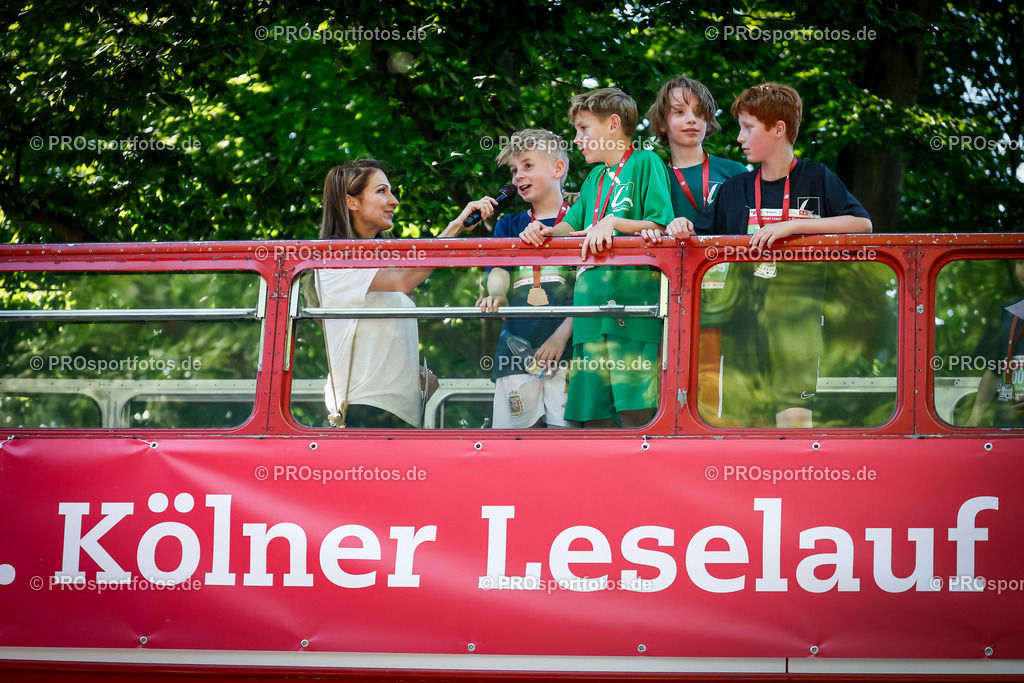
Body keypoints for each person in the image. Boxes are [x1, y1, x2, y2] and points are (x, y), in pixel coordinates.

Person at [693, 82, 872, 428]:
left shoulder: (817, 177)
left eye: (748, 128)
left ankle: (794, 480)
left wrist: (793, 226)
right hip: (742, 324)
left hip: (798, 326)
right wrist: (681, 225)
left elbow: (862, 224)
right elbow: (700, 238)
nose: (739, 138)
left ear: (779, 129)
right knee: (744, 427)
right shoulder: (735, 188)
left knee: (794, 421)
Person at [520, 88, 674, 427]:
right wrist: (542, 231)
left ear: (613, 125)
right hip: (588, 316)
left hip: (633, 313)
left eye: (583, 128)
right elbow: (568, 227)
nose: (577, 139)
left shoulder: (647, 162)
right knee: (593, 419)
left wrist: (614, 222)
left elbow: (660, 225)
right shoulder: (594, 177)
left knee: (635, 414)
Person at [316, 159, 479, 428]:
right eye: (382, 191)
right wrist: (455, 227)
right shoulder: (333, 257)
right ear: (351, 202)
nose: (394, 201)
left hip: (399, 413)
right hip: (362, 409)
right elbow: (405, 280)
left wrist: (413, 378)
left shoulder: (381, 261)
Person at [641, 75, 748, 425]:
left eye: (700, 113)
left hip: (725, 300)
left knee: (714, 401)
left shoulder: (735, 172)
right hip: (662, 302)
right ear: (661, 122)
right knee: (658, 397)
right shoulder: (650, 174)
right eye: (679, 111)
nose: (691, 120)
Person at [470, 129, 576, 428]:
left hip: (568, 348)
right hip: (515, 348)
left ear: (558, 168)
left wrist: (562, 335)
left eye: (528, 166)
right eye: (514, 170)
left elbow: (591, 285)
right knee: (514, 436)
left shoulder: (581, 220)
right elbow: (499, 269)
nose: (518, 176)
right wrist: (498, 293)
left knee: (563, 435)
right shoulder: (508, 224)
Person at [966, 259, 1024, 427]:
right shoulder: (1009, 311)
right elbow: (994, 371)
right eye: (1020, 262)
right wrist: (975, 416)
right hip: (1006, 430)